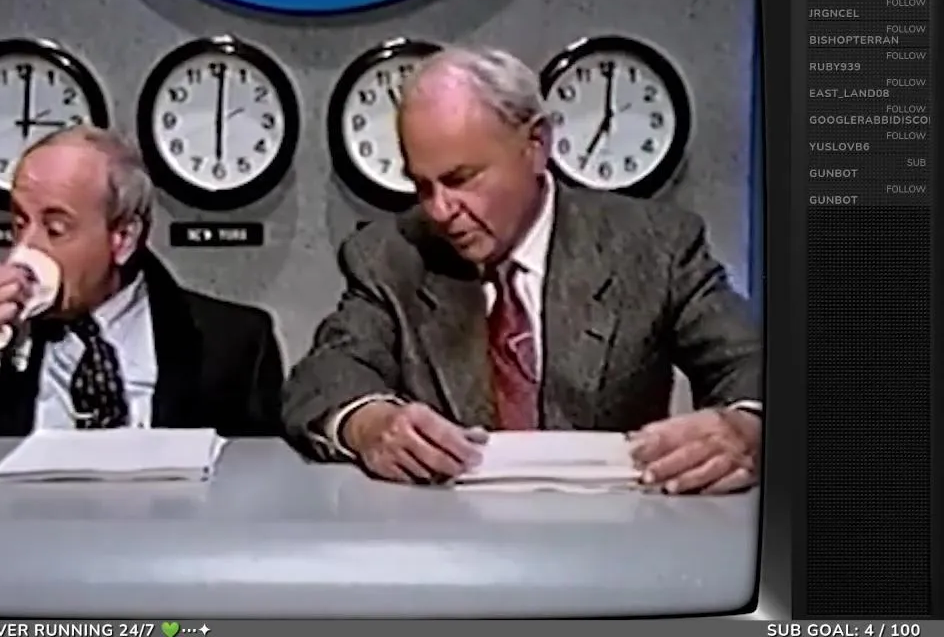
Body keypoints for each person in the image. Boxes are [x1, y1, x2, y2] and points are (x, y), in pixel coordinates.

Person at [282, 47, 762, 494]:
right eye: (422, 186)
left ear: (535, 145)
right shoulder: (391, 254)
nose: (440, 210)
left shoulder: (653, 245)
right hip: (449, 535)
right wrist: (370, 424)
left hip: (615, 530)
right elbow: (325, 375)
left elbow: (750, 362)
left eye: (460, 179)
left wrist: (748, 427)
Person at [0, 125, 285, 438]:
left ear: (123, 238)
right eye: (18, 224)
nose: (26, 249)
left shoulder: (235, 345)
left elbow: (261, 500)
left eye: (55, 229)